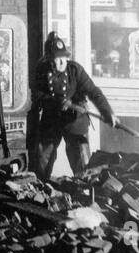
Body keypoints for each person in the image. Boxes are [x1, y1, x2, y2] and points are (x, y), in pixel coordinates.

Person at [27, 32, 120, 181]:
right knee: (42, 159)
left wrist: (107, 112)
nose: (61, 62)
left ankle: (86, 192)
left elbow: (94, 92)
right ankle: (40, 189)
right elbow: (36, 95)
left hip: (76, 120)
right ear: (49, 60)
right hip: (51, 119)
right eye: (57, 59)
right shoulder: (41, 70)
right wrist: (54, 102)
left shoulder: (75, 70)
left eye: (63, 58)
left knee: (82, 163)